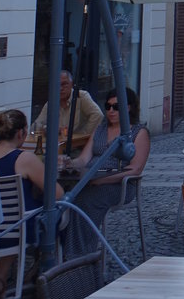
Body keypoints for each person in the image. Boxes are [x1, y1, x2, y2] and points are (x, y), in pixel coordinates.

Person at [62, 88, 150, 257]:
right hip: (90, 179)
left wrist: (103, 180)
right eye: (108, 106)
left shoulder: (139, 132)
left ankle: (80, 256)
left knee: (83, 201)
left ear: (128, 108)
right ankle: (62, 248)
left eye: (116, 107)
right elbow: (83, 159)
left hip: (119, 184)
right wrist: (69, 163)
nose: (111, 111)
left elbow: (135, 168)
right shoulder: (100, 129)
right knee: (61, 197)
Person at [0, 108, 64, 298]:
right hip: (16, 230)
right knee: (56, 214)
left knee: (10, 218)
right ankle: (42, 272)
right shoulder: (23, 158)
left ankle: (0, 280)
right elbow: (57, 193)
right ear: (21, 133)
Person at [32, 69, 103, 140]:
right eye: (57, 84)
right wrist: (48, 128)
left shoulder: (80, 96)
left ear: (72, 84)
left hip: (78, 145)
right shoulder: (52, 102)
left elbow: (98, 115)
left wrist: (83, 135)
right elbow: (35, 126)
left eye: (64, 84)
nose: (60, 88)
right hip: (58, 145)